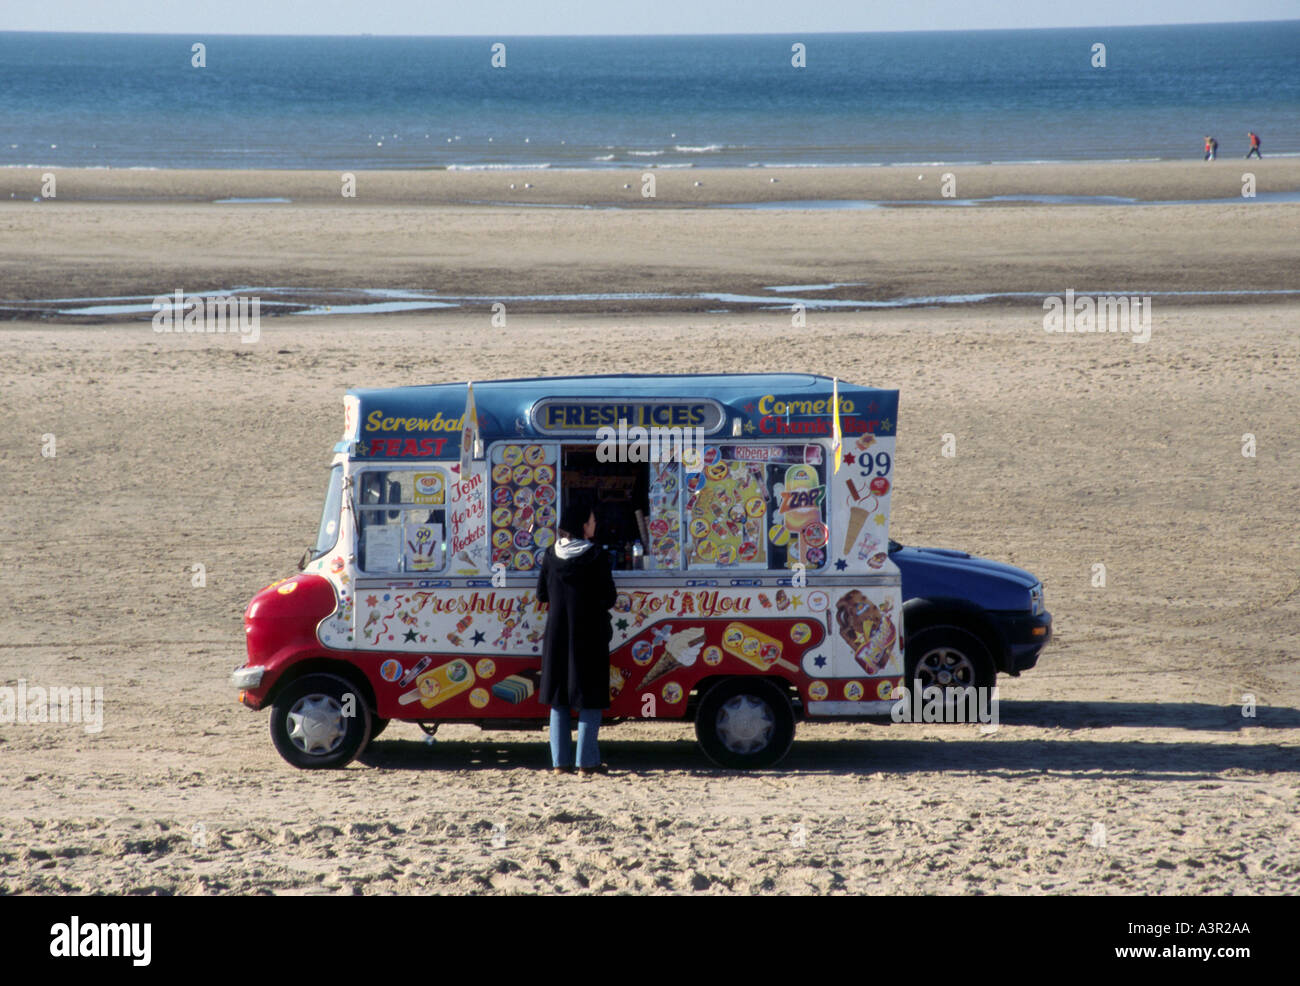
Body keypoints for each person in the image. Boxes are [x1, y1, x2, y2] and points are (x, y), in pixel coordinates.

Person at [536, 502, 617, 776]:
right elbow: (609, 597)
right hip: (589, 636)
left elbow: (541, 596)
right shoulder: (596, 556)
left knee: (559, 698)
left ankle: (559, 763)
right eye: (592, 520)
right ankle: (587, 763)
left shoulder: (549, 554)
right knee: (590, 698)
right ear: (583, 525)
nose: (594, 525)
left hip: (557, 635)